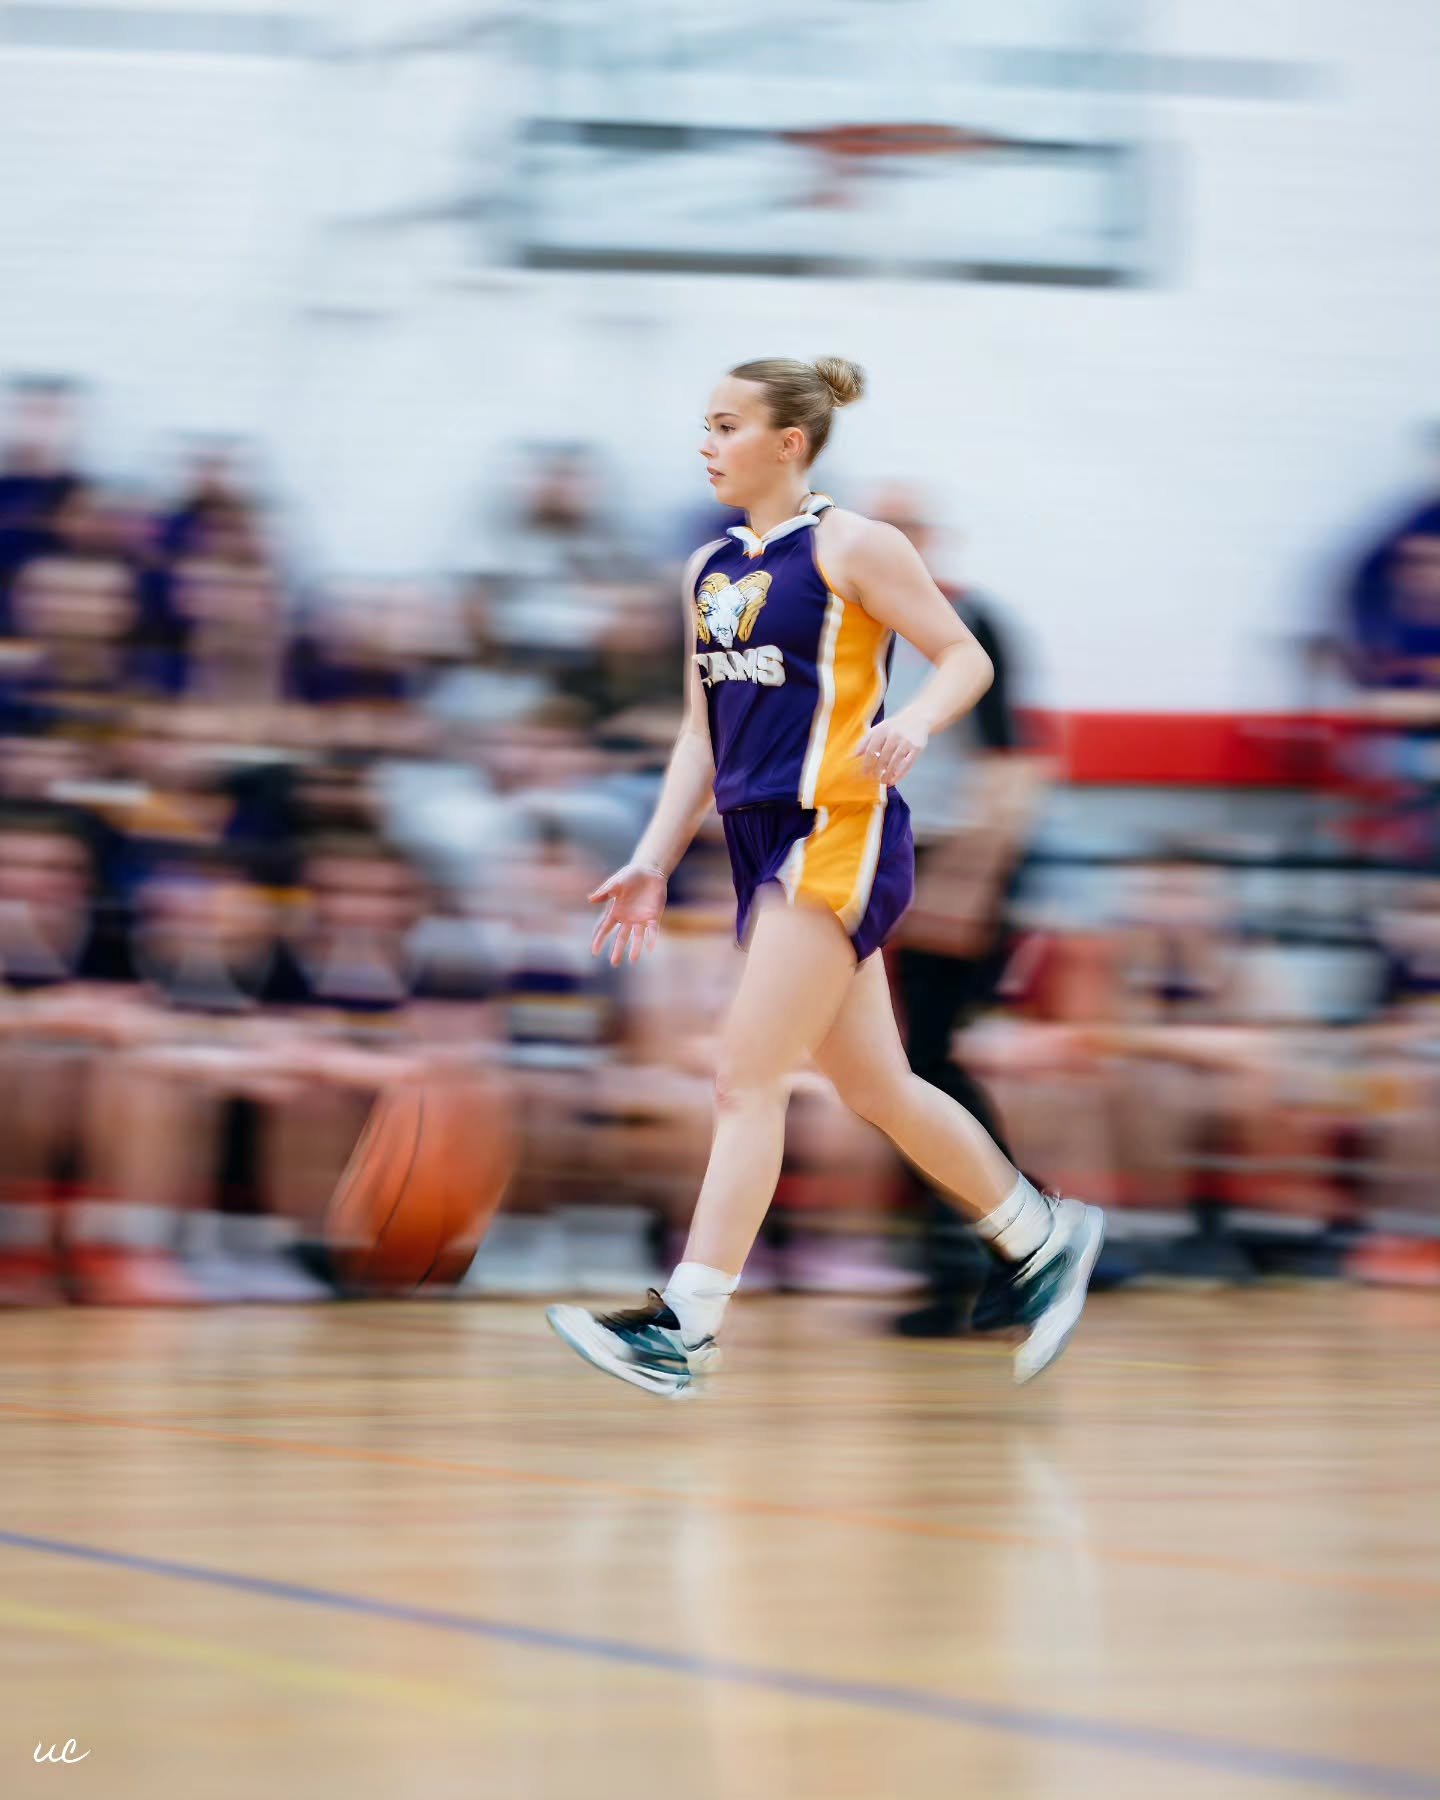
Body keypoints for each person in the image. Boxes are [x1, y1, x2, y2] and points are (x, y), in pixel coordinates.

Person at [545, 357, 1103, 1396]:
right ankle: (1041, 1234)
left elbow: (965, 659)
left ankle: (688, 1325)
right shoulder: (706, 568)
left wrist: (916, 723)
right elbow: (699, 735)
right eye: (703, 425)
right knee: (876, 1084)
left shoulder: (857, 546)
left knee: (743, 1076)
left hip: (837, 829)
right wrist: (652, 857)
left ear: (788, 442)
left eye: (725, 425)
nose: (706, 443)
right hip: (759, 845)